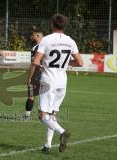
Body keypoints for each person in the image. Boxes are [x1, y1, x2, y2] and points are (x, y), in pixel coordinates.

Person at [28, 14, 83, 153]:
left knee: (42, 115)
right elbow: (80, 63)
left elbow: (35, 61)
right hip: (62, 82)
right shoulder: (70, 41)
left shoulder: (46, 40)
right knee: (51, 115)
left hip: (48, 81)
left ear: (52, 24)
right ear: (64, 26)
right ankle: (47, 146)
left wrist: (33, 75)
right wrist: (64, 62)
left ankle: (62, 132)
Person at [23, 31, 43, 121]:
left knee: (31, 95)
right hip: (48, 73)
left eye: (33, 35)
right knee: (44, 96)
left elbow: (33, 64)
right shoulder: (48, 46)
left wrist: (29, 78)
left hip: (37, 73)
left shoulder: (36, 48)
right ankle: (43, 116)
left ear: (38, 36)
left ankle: (26, 116)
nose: (31, 37)